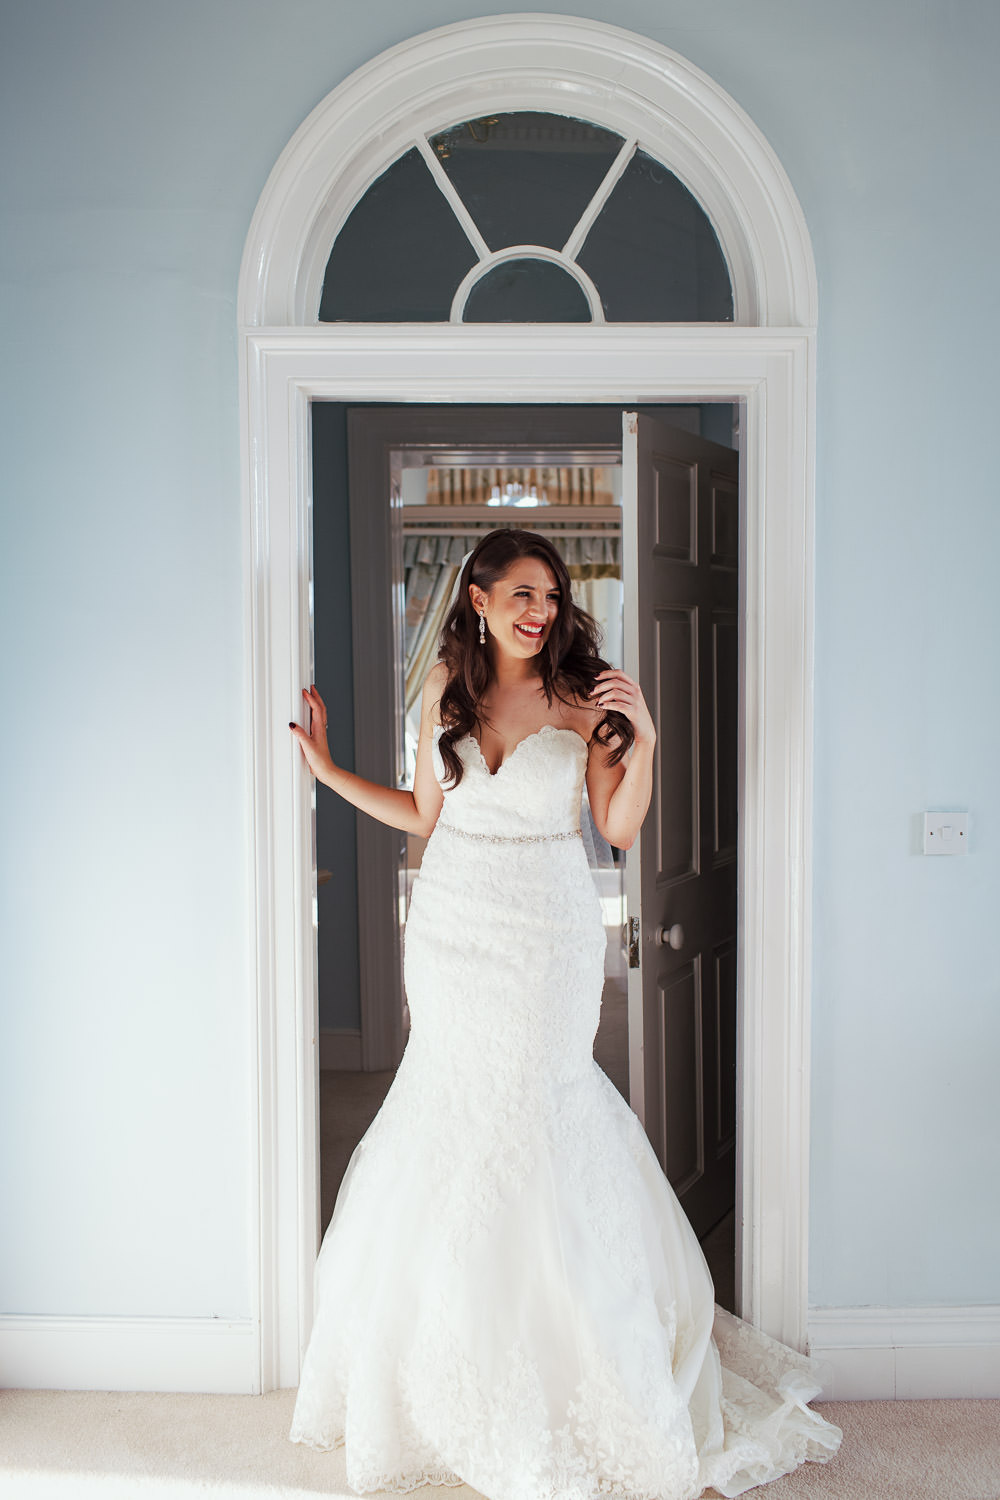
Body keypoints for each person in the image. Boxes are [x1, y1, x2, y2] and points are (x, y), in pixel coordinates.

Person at [286, 528, 841, 1500]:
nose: (539, 611)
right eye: (520, 594)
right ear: (478, 599)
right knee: (449, 1115)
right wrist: (328, 772)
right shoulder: (443, 693)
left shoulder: (586, 697)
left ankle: (576, 1361)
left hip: (546, 930)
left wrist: (649, 742)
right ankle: (441, 1370)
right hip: (453, 929)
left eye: (550, 594)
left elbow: (618, 828)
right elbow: (427, 814)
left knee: (545, 1113)